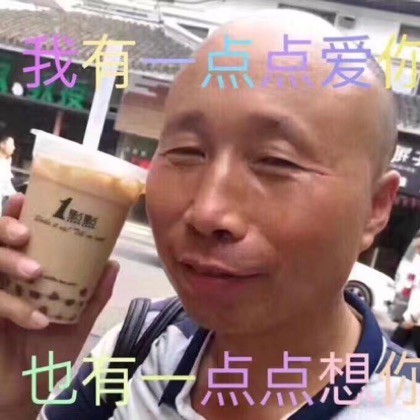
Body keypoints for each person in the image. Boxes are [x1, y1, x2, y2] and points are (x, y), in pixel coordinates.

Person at [0, 9, 418, 420]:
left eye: (276, 161)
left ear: (376, 208)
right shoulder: (137, 349)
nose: (207, 211)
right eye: (186, 152)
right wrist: (16, 398)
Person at [391, 241, 420, 356]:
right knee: (395, 344)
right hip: (413, 316)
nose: (416, 250)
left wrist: (413, 316)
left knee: (395, 344)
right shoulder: (417, 262)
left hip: (414, 317)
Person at [0, 124, 16, 214]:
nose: (14, 147)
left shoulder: (6, 163)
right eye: (12, 144)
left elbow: (6, 186)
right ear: (2, 144)